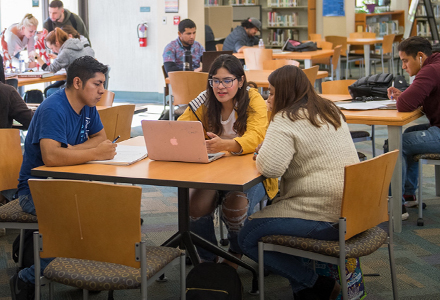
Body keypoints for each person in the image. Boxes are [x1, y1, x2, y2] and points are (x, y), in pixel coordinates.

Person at [238, 65, 359, 300]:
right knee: (271, 221)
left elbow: (270, 168)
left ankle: (316, 285)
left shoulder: (285, 118)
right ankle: (304, 291)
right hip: (353, 210)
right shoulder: (329, 109)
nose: (268, 97)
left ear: (284, 93)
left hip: (324, 214)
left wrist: (262, 150)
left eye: (271, 92)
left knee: (247, 236)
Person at [9, 56, 116, 299]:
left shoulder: (87, 106)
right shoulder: (54, 107)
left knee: (111, 210)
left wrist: (70, 150)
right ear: (77, 82)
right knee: (81, 220)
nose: (102, 90)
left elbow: (100, 137)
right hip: (36, 190)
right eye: (97, 84)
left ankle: (86, 271)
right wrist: (91, 153)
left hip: (69, 185)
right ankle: (26, 279)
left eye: (103, 84)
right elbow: (51, 157)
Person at [178, 54, 278, 266]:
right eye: (215, 80)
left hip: (253, 172)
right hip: (215, 170)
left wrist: (227, 145)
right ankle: (207, 256)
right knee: (194, 206)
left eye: (227, 80)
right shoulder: (204, 99)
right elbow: (181, 126)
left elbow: (257, 136)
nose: (220, 87)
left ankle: (235, 251)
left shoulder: (254, 99)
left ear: (240, 81)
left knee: (235, 206)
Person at [386, 36, 440, 220]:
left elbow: (404, 106)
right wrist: (407, 93)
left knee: (396, 143)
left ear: (420, 56)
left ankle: (395, 206)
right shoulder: (436, 64)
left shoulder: (430, 70)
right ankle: (408, 194)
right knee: (410, 133)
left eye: (405, 61)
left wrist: (404, 97)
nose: (403, 67)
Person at [35, 27, 94, 97]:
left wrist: (37, 58)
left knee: (49, 91)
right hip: (85, 86)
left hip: (74, 89)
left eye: (52, 48)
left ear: (57, 43)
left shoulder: (65, 52)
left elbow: (49, 70)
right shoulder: (78, 45)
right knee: (49, 88)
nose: (53, 51)